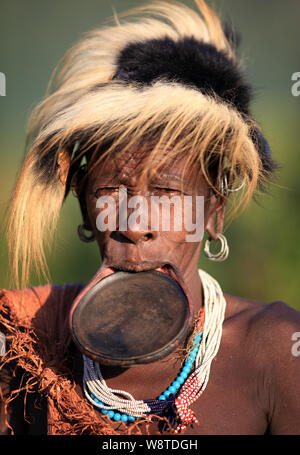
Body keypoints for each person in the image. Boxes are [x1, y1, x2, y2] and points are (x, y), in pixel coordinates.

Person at [0, 0, 299, 436]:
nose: (136, 223)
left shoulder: (275, 350)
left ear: (214, 213)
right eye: (111, 192)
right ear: (84, 210)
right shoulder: (23, 343)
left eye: (166, 193)